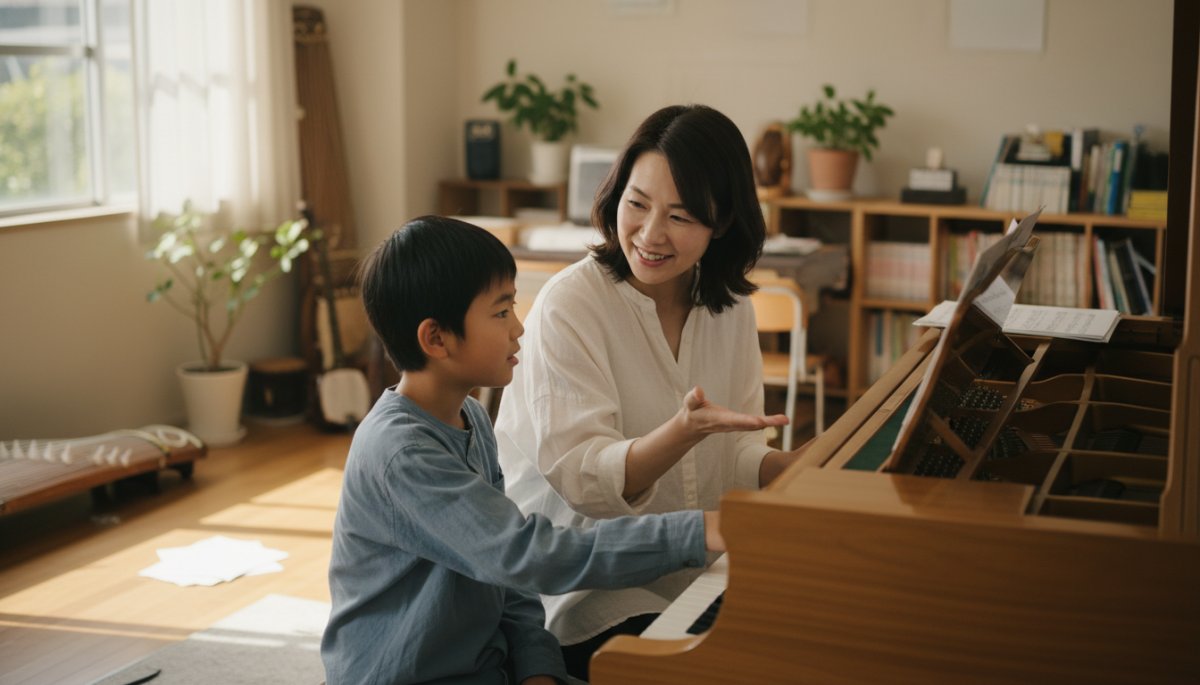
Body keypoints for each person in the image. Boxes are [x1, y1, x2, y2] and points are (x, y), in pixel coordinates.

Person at [320, 215, 726, 685]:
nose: (518, 329)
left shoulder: (470, 417)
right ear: (436, 338)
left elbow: (504, 576)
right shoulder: (400, 453)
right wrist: (698, 532)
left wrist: (539, 667)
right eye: (500, 312)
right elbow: (528, 555)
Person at [494, 104, 805, 680]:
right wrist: (681, 431)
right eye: (636, 204)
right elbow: (585, 479)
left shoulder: (729, 306)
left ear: (723, 221)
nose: (650, 234)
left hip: (696, 565)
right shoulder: (571, 304)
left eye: (681, 216)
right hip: (586, 587)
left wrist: (797, 467)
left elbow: (732, 454)